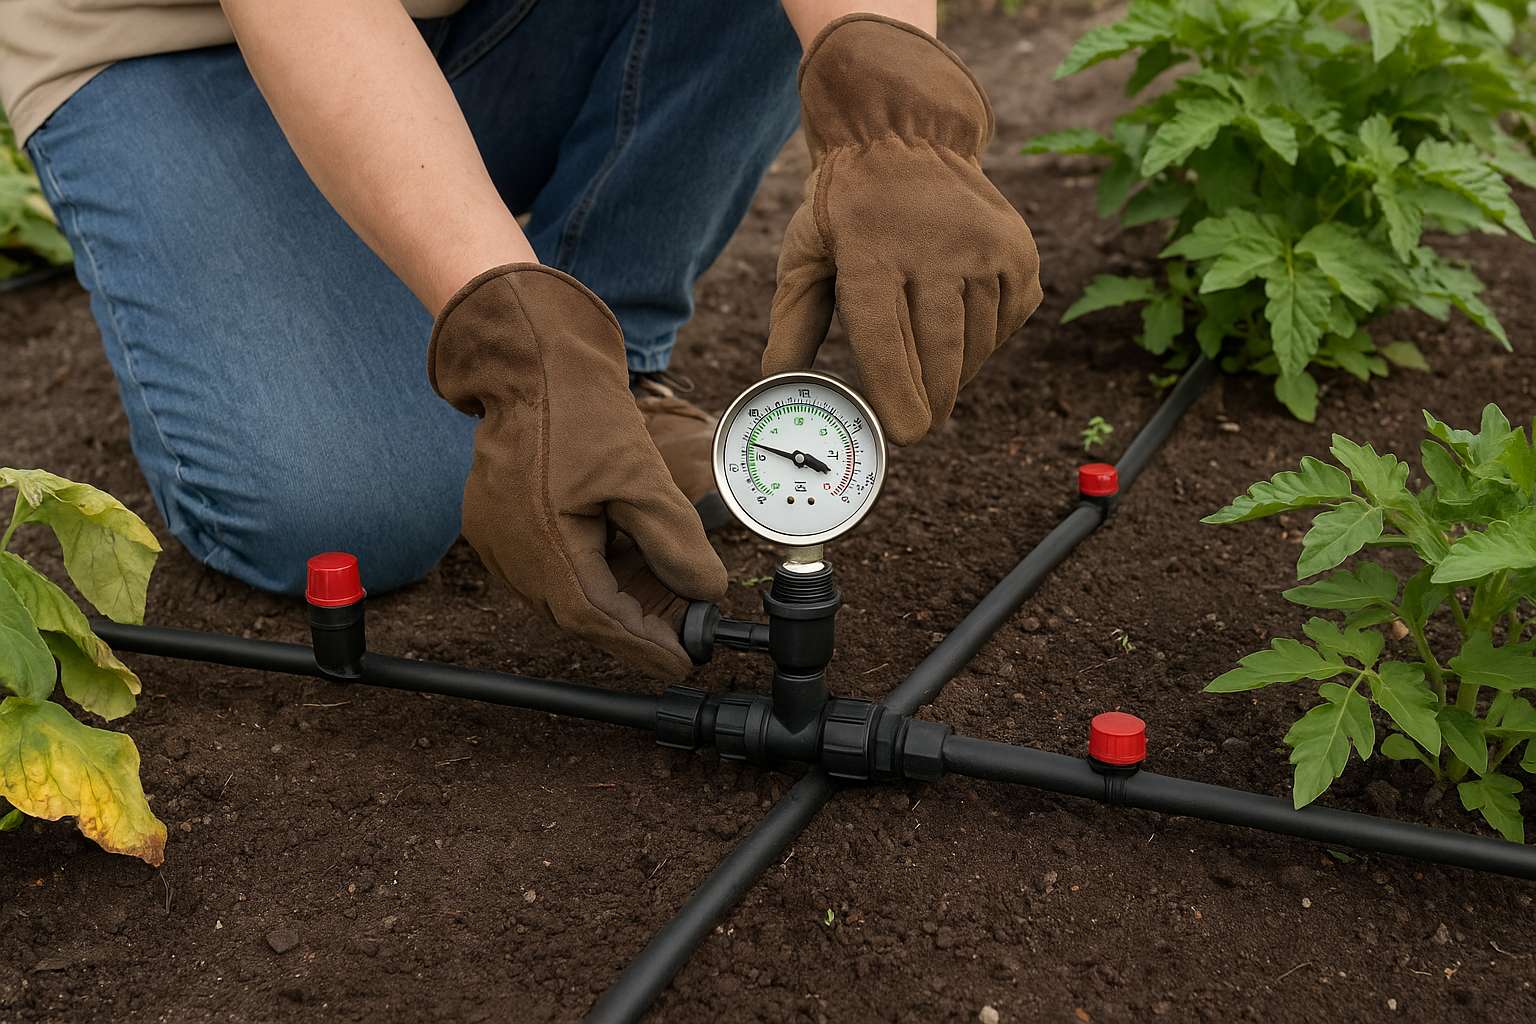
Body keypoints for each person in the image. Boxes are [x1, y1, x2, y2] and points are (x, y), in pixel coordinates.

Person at [1, 0, 1041, 680]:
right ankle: (535, 356)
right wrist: (512, 346)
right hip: (176, 46)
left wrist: (890, 114)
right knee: (351, 504)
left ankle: (607, 350)